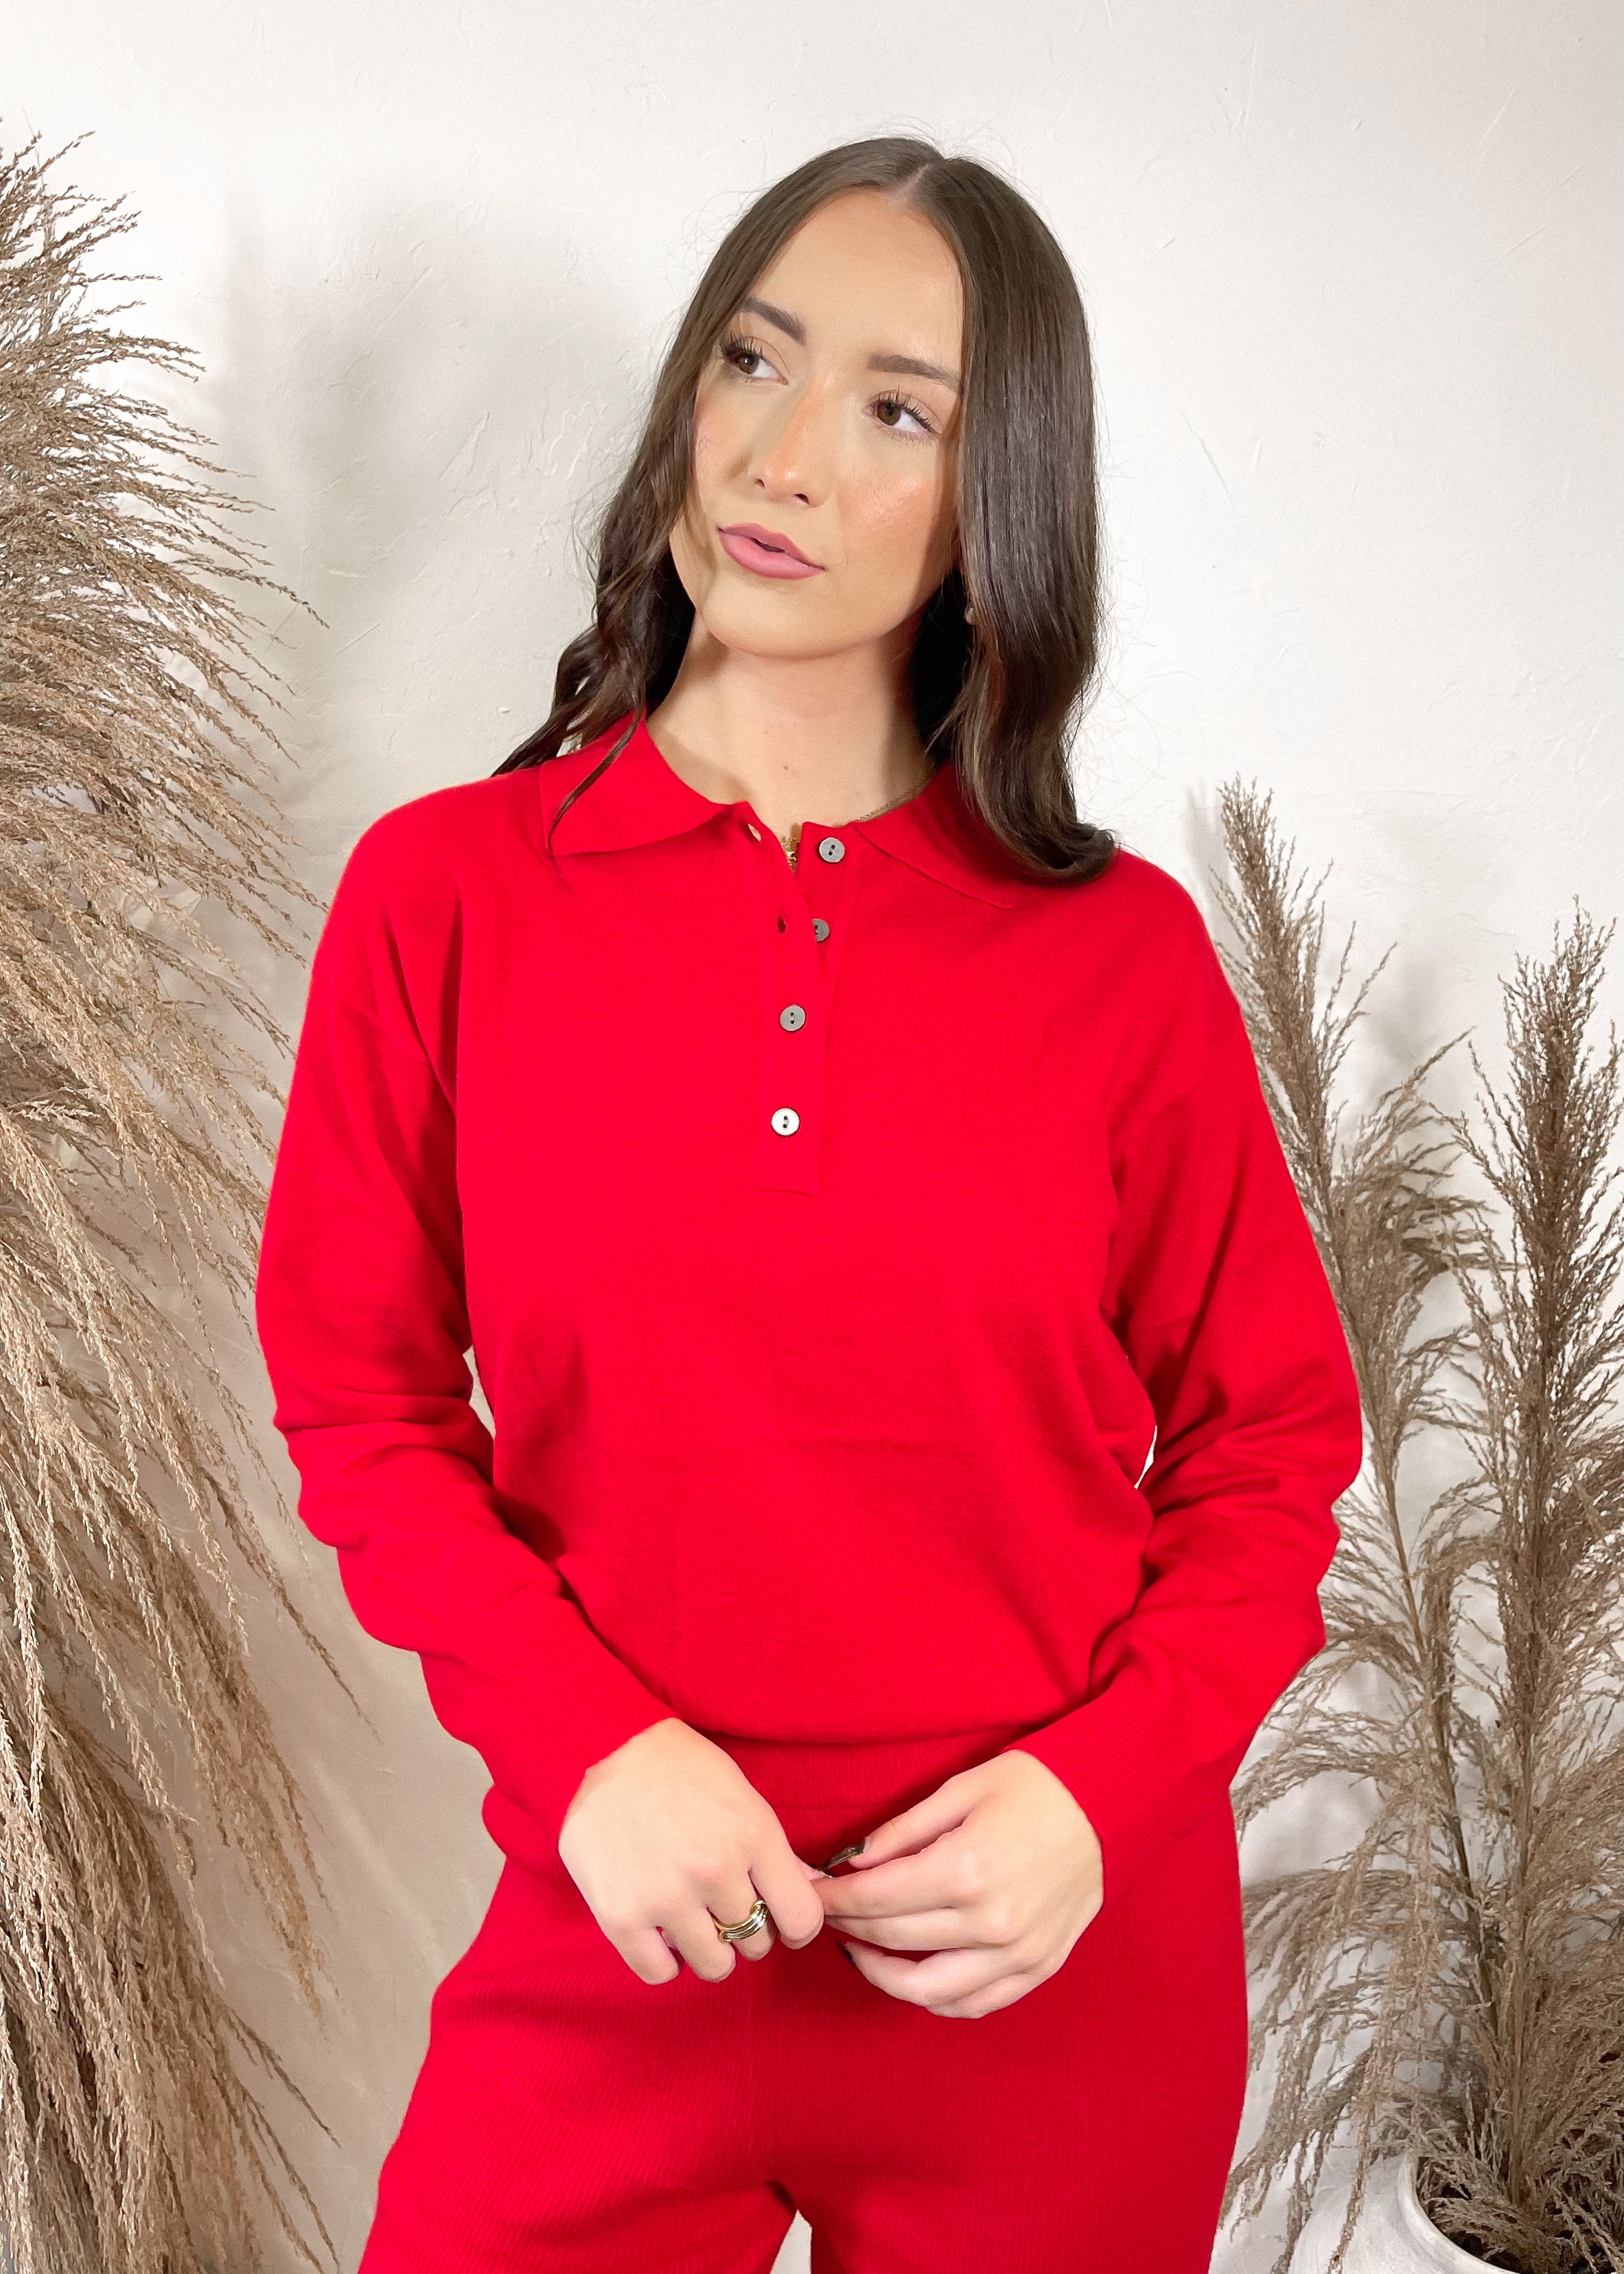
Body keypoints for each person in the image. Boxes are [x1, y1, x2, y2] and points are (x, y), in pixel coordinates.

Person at [254, 134, 1362, 2274]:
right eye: (752, 361)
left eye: (895, 411)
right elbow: (358, 1399)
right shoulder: (447, 899)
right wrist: (591, 1754)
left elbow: (1276, 1443)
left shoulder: (1119, 956)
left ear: (992, 506)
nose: (781, 456)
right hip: (627, 1931)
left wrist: (1098, 1796)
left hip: (1047, 1977)